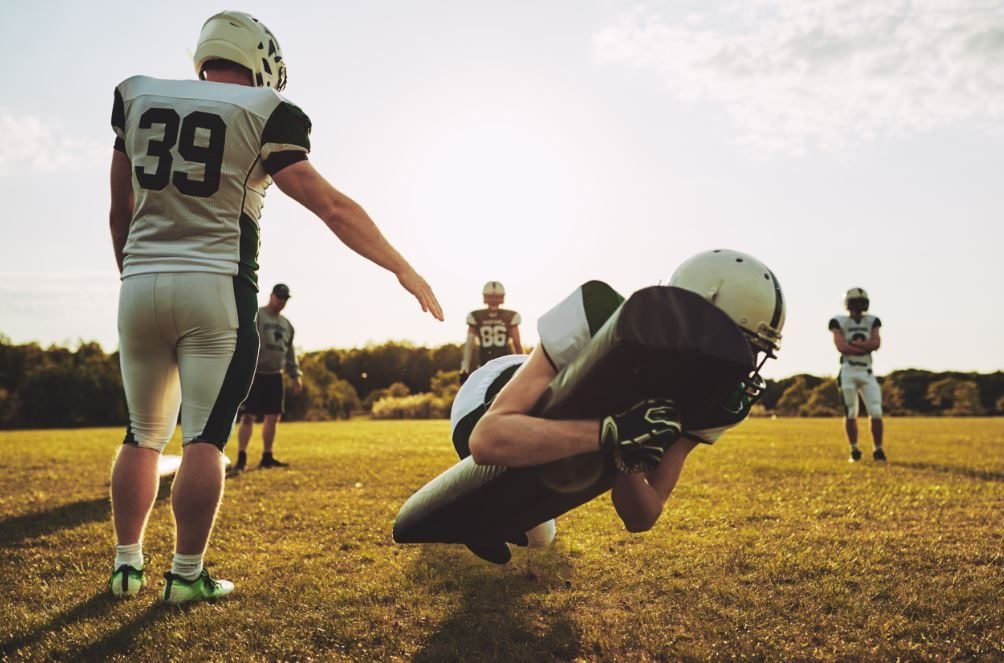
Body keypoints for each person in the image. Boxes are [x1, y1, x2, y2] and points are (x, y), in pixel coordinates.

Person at [107, 11, 442, 604]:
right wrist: (402, 266)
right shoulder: (266, 112)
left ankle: (126, 566)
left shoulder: (136, 96)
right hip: (216, 288)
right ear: (259, 59)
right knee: (206, 438)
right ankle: (185, 575)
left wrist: (133, 275)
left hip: (139, 282)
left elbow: (120, 209)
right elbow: (330, 206)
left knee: (141, 436)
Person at [449, 249, 784, 562]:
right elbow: (487, 438)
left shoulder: (719, 401)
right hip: (489, 395)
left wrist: (628, 460)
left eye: (755, 352)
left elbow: (644, 516)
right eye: (740, 347)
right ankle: (483, 515)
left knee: (542, 533)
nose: (744, 365)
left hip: (555, 427)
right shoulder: (599, 315)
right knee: (535, 527)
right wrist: (613, 431)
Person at [233, 283, 302, 471]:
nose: (281, 301)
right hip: (255, 374)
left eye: (285, 299)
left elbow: (290, 353)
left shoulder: (287, 325)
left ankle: (267, 456)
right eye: (279, 297)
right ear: (271, 295)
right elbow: (245, 341)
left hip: (275, 375)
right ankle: (241, 456)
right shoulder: (258, 316)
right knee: (248, 416)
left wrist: (295, 375)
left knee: (273, 416)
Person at [829, 287, 885, 462]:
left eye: (861, 302)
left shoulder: (872, 321)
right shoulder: (838, 321)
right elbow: (841, 347)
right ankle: (854, 449)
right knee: (851, 411)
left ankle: (878, 450)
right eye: (855, 302)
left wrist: (852, 344)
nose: (858, 306)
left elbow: (876, 343)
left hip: (867, 371)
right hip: (848, 370)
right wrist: (864, 346)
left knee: (876, 411)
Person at [459, 281, 523, 384]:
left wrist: (464, 368)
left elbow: (469, 345)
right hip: (502, 364)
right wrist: (522, 365)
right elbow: (517, 345)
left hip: (487, 365)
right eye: (491, 297)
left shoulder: (476, 315)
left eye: (496, 297)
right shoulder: (510, 315)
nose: (493, 300)